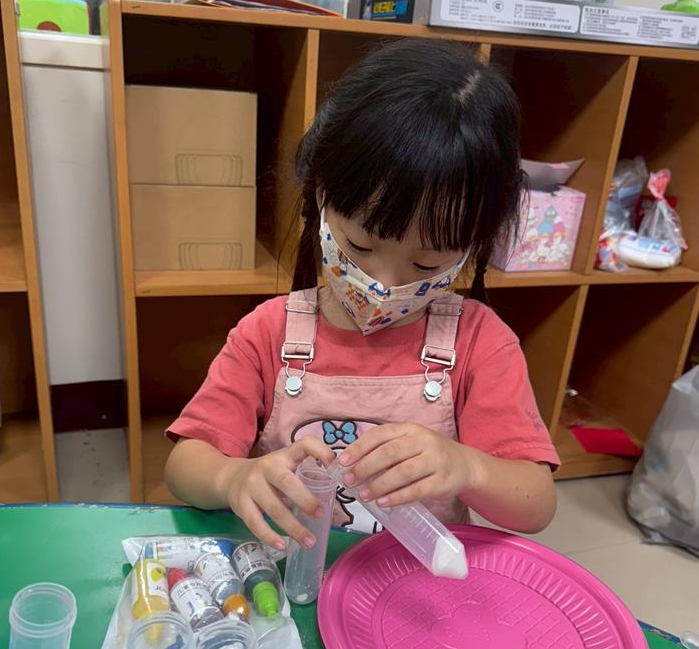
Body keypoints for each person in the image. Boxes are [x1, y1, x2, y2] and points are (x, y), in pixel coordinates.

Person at [165, 38, 558, 551]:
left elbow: (536, 505)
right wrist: (231, 477)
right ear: (321, 195)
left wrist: (468, 467)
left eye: (426, 264)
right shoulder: (268, 332)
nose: (385, 284)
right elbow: (184, 465)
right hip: (293, 573)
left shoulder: (479, 343)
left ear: (474, 245)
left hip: (409, 584)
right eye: (361, 245)